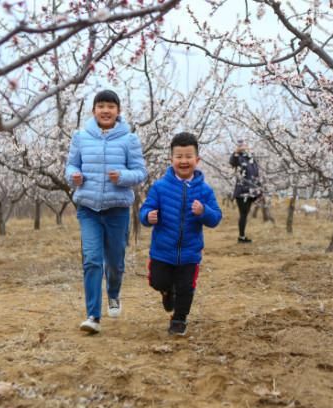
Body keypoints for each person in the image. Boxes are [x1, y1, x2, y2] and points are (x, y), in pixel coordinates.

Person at [65, 89, 147, 334]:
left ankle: (113, 293)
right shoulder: (80, 137)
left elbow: (141, 173)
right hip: (88, 208)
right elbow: (70, 166)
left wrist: (122, 177)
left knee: (115, 262)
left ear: (118, 112)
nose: (106, 110)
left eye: (111, 106)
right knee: (91, 260)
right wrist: (73, 176)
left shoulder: (129, 139)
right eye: (101, 106)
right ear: (94, 111)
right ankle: (93, 315)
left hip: (117, 210)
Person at [139, 132, 222, 336]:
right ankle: (167, 293)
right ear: (171, 159)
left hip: (189, 253)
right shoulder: (159, 187)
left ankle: (179, 319)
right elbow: (145, 209)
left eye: (188, 156)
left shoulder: (205, 191)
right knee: (157, 281)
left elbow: (216, 218)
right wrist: (147, 216)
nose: (183, 161)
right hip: (162, 251)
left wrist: (204, 212)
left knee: (186, 288)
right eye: (179, 156)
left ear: (197, 159)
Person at [229, 140, 262, 243]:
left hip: (252, 191)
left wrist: (259, 189)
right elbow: (232, 162)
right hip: (241, 191)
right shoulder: (238, 158)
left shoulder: (252, 159)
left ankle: (242, 236)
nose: (244, 147)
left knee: (246, 213)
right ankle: (241, 237)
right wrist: (236, 152)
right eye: (241, 146)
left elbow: (256, 175)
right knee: (243, 214)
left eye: (245, 145)